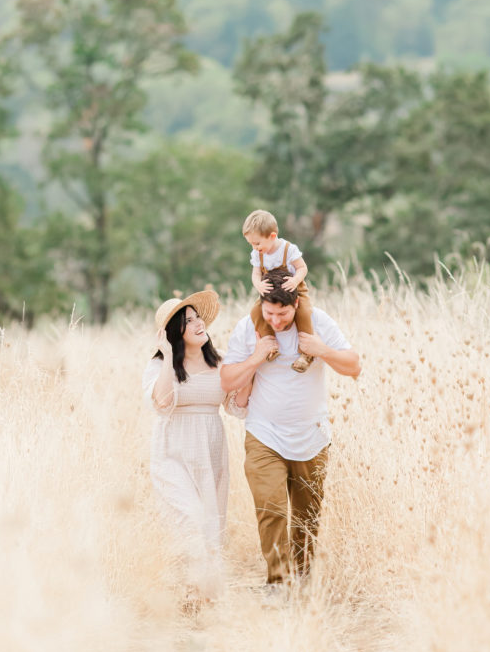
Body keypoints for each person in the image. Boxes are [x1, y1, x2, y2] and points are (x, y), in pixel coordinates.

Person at [220, 267, 361, 588]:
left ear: (296, 304)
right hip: (264, 434)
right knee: (270, 508)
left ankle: (303, 577)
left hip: (312, 436)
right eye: (269, 312)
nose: (276, 320)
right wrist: (256, 356)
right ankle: (278, 582)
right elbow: (227, 380)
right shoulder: (248, 328)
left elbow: (353, 365)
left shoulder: (319, 323)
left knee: (306, 515)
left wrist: (321, 350)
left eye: (282, 313)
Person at [142, 288, 249, 610]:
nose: (199, 324)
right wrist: (166, 355)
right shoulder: (160, 367)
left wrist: (252, 369)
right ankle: (189, 589)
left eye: (198, 317)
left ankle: (203, 595)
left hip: (210, 450)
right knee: (189, 519)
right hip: (172, 452)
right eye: (189, 322)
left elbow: (238, 406)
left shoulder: (221, 364)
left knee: (210, 522)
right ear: (176, 332)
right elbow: (161, 403)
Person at [242, 208, 314, 373]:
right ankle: (269, 344)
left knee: (304, 312)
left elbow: (302, 268)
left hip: (293, 288)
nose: (254, 247)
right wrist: (258, 285)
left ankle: (306, 353)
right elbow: (256, 273)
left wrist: (295, 280)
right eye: (251, 244)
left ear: (272, 236)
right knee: (255, 311)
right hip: (270, 291)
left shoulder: (288, 249)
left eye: (257, 243)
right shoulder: (257, 254)